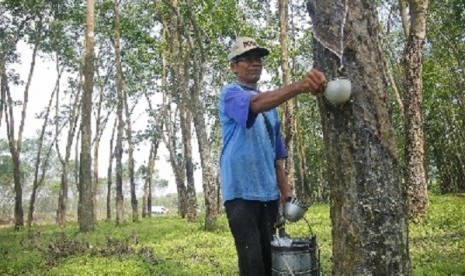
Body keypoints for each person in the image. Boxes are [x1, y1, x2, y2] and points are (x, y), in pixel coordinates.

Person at [218, 36, 327, 276]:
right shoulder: (231, 94)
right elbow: (256, 104)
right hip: (241, 193)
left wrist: (286, 194)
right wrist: (299, 86)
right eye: (246, 58)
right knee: (252, 261)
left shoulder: (272, 110)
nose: (254, 63)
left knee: (272, 260)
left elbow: (277, 157)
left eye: (258, 58)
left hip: (268, 194)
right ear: (233, 66)